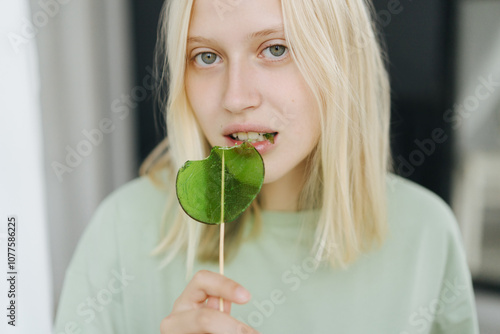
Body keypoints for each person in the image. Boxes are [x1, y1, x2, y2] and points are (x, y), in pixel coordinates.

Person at [54, 0, 480, 333]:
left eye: (275, 49)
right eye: (206, 57)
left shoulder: (426, 233)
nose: (235, 98)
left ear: (343, 63)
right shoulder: (122, 228)